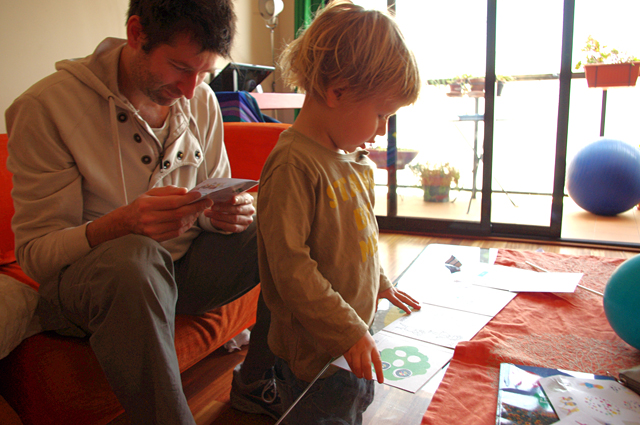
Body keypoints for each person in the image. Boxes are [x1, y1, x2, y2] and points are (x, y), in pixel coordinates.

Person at [5, 0, 279, 423]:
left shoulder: (200, 100)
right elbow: (38, 256)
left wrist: (222, 215)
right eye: (180, 68)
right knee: (136, 256)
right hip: (94, 287)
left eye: (204, 73)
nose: (191, 88)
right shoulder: (46, 109)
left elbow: (212, 194)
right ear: (136, 34)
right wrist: (121, 224)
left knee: (274, 223)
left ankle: (261, 378)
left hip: (178, 275)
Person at [256, 1, 422, 424]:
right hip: (315, 361)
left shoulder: (352, 160)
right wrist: (349, 330)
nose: (382, 130)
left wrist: (380, 281)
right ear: (338, 92)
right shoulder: (294, 164)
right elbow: (291, 268)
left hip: (351, 343)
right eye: (381, 114)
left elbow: (357, 238)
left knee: (354, 410)